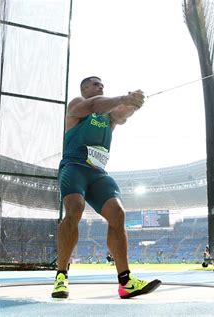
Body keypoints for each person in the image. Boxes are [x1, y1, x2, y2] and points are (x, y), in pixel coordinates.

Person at [52, 76, 161, 299]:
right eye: (95, 84)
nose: (100, 86)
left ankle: (126, 281)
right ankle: (61, 277)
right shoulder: (76, 105)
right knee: (75, 208)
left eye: (102, 84)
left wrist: (133, 103)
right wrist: (124, 98)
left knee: (118, 213)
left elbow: (122, 114)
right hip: (74, 166)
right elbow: (93, 105)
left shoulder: (109, 114)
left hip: (98, 173)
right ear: (84, 89)